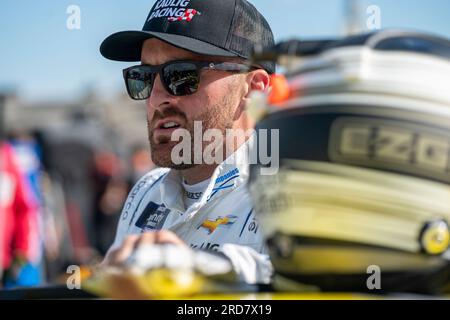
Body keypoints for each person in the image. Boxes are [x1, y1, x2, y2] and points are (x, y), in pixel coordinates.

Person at [99, 0, 275, 284]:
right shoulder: (145, 190)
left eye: (181, 75)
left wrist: (200, 275)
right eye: (142, 78)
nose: (156, 99)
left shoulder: (297, 194)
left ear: (253, 89)